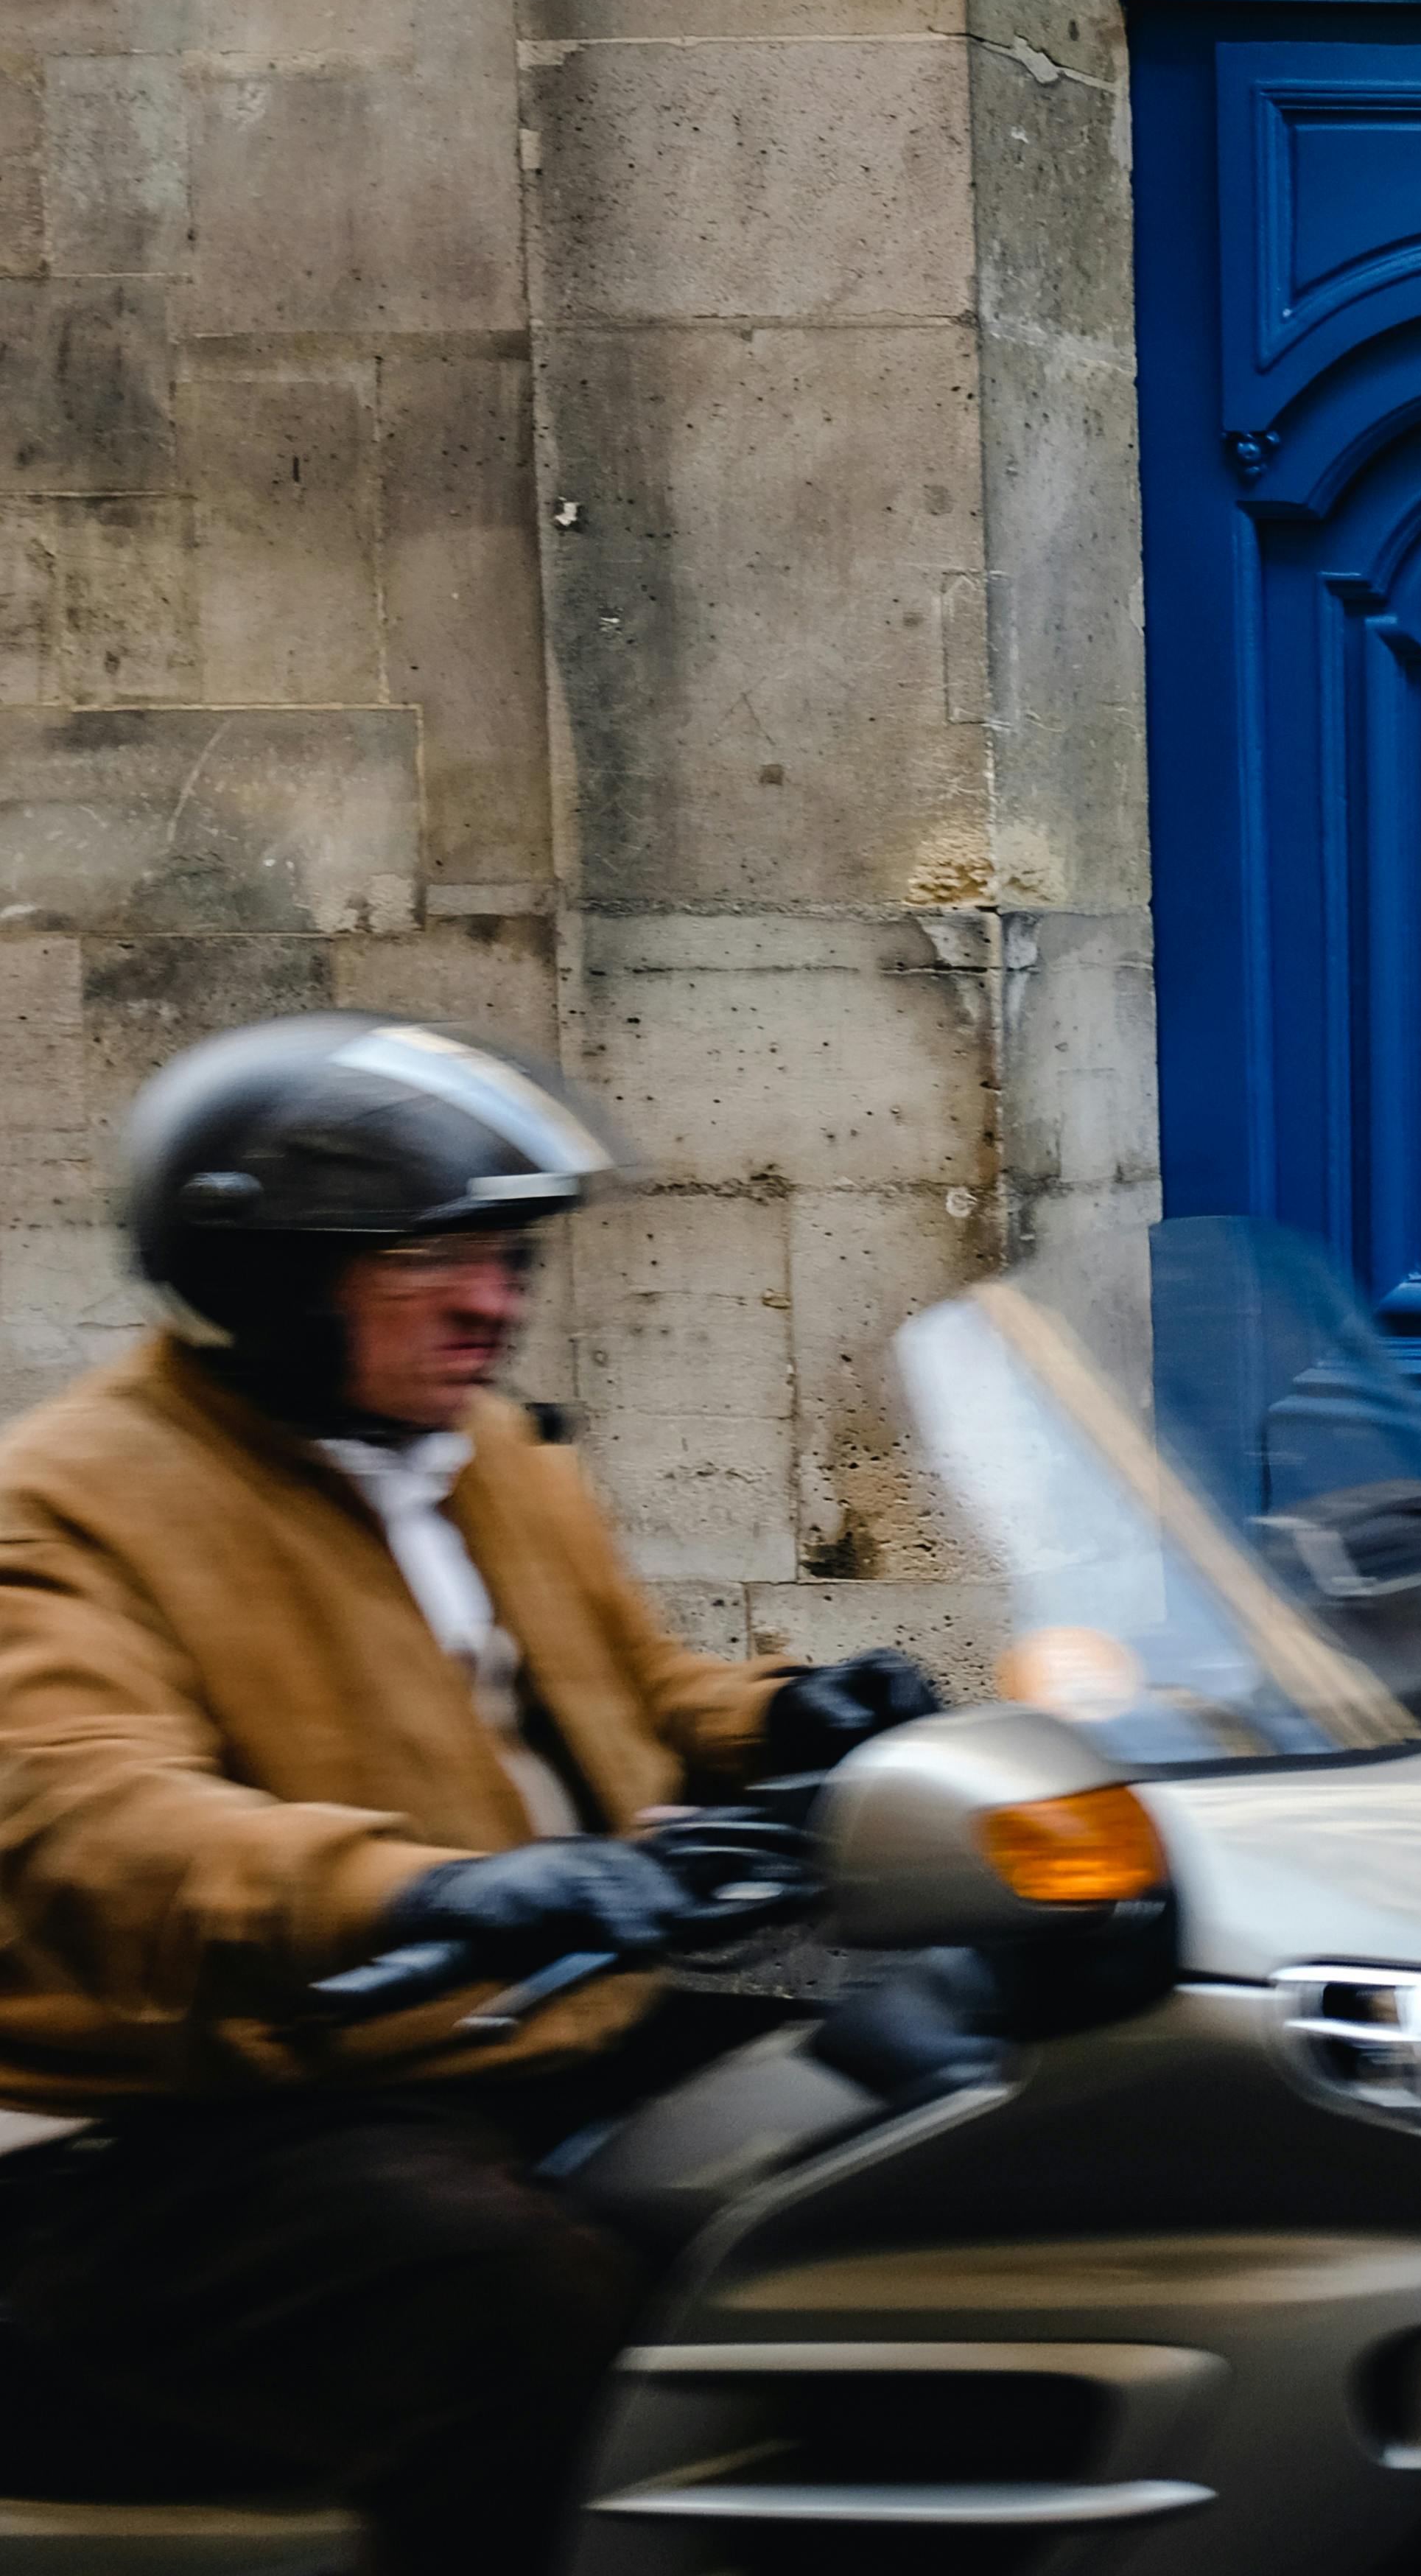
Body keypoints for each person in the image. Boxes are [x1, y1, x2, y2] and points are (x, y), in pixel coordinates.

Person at [0, 1013, 947, 2576]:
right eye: (430, 1258)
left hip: (509, 2033)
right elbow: (93, 1819)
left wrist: (785, 1720)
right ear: (270, 1276)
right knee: (520, 2301)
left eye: (509, 1257)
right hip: (201, 2114)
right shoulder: (67, 1504)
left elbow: (625, 1690)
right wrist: (433, 1890)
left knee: (929, 2109)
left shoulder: (482, 1453)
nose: (494, 1302)